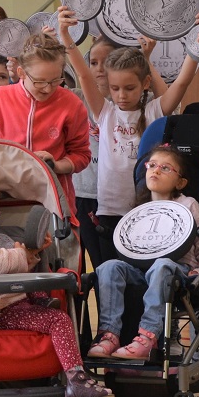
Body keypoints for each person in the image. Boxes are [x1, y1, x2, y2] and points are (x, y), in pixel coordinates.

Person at [0, 177, 112, 397]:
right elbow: (2, 264)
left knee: (29, 281)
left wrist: (31, 254)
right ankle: (76, 380)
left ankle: (39, 302)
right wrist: (19, 252)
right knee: (59, 320)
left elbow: (0, 268)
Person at [62, 9, 199, 237]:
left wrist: (197, 38)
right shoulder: (105, 112)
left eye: (129, 88)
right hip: (109, 211)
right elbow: (84, 75)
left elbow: (183, 82)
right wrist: (66, 37)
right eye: (115, 89)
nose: (121, 95)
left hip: (146, 208)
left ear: (145, 83)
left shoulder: (155, 110)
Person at [89, 144, 199, 360]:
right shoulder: (140, 210)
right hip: (142, 269)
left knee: (161, 264)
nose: (156, 170)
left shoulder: (187, 204)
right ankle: (109, 334)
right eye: (152, 165)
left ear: (180, 182)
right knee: (109, 267)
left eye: (166, 168)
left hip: (178, 270)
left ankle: (147, 338)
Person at [0, 30, 91, 212]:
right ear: (21, 72)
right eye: (39, 81)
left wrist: (56, 165)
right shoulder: (0, 97)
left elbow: (82, 155)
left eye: (55, 81)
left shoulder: (72, 104)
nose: (47, 89)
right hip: (6, 201)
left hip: (54, 201)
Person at [69, 35, 120, 269]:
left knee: (109, 265)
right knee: (86, 267)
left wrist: (146, 58)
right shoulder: (77, 98)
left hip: (115, 198)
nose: (99, 69)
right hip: (83, 194)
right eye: (93, 62)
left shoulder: (128, 99)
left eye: (107, 61)